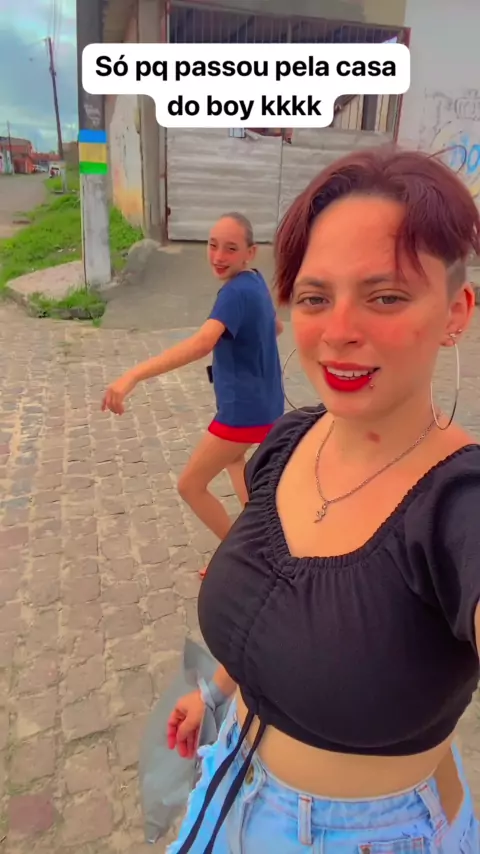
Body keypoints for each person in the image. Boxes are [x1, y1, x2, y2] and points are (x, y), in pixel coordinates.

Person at [165, 146, 480, 853]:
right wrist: (217, 693)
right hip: (229, 776)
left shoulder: (460, 505)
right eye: (314, 297)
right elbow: (272, 609)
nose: (339, 330)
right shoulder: (289, 440)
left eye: (386, 295)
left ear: (456, 312)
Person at [102, 213, 284, 578]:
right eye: (213, 245)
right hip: (266, 404)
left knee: (190, 485)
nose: (218, 256)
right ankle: (263, 540)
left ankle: (243, 561)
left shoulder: (234, 293)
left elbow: (202, 343)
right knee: (236, 463)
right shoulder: (254, 282)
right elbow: (276, 326)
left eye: (230, 248)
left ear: (249, 252)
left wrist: (133, 375)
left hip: (242, 413)